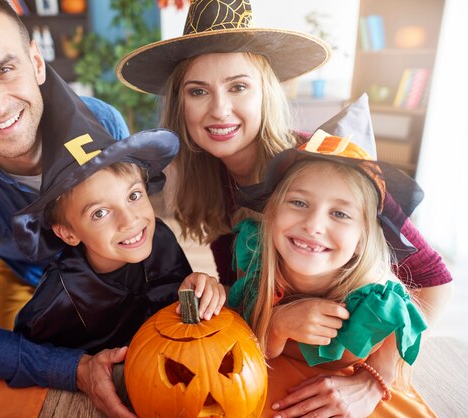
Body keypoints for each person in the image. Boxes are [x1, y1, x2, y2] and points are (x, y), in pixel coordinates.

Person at [116, 0, 452, 415]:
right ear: (180, 107)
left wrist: (373, 379)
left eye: (238, 87)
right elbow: (245, 290)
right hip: (280, 351)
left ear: (265, 93)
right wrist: (215, 293)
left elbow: (434, 281)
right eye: (198, 91)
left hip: (351, 360)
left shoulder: (325, 168)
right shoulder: (209, 179)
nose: (219, 109)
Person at [0, 0, 141, 416]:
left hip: (106, 271)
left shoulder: (105, 125)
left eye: (3, 69)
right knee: (4, 396)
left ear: (36, 62)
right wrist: (75, 369)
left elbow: (136, 235)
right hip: (18, 274)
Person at [234, 96, 433, 416]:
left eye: (339, 213)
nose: (313, 226)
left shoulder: (376, 300)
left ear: (362, 238)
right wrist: (277, 325)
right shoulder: (255, 259)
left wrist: (375, 381)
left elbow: (401, 340)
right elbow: (241, 348)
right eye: (299, 203)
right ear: (271, 213)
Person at [11, 104, 225, 354]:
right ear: (68, 233)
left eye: (133, 196)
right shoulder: (56, 298)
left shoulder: (160, 239)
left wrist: (196, 291)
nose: (129, 221)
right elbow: (25, 357)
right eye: (99, 213)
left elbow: (178, 315)